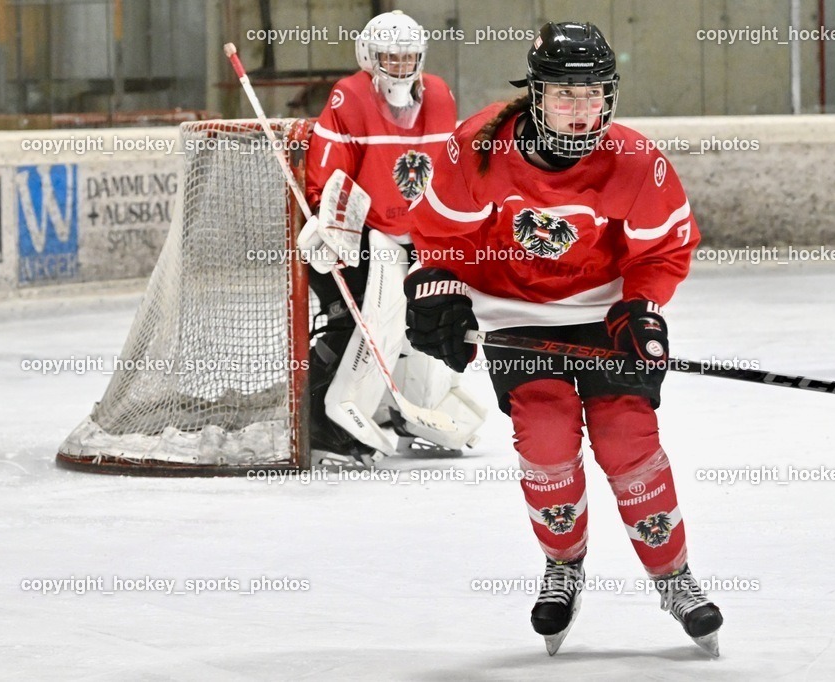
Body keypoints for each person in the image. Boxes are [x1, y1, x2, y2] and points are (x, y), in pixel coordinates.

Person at [401, 22, 723, 656]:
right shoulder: (482, 149)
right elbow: (439, 236)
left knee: (627, 437)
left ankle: (674, 576)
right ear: (536, 95)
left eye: (593, 94)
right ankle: (563, 565)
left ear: (610, 96)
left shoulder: (633, 160)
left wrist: (642, 309)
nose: (581, 111)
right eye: (564, 95)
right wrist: (437, 289)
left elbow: (665, 246)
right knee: (546, 441)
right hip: (515, 314)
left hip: (601, 315)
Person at [302, 10, 484, 466]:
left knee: (434, 316)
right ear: (368, 55)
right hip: (364, 235)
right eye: (390, 57)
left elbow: (447, 170)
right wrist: (330, 226)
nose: (400, 66)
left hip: (420, 235)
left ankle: (414, 412)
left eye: (409, 57)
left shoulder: (440, 95)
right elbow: (327, 173)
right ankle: (329, 423)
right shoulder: (350, 96)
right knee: (369, 325)